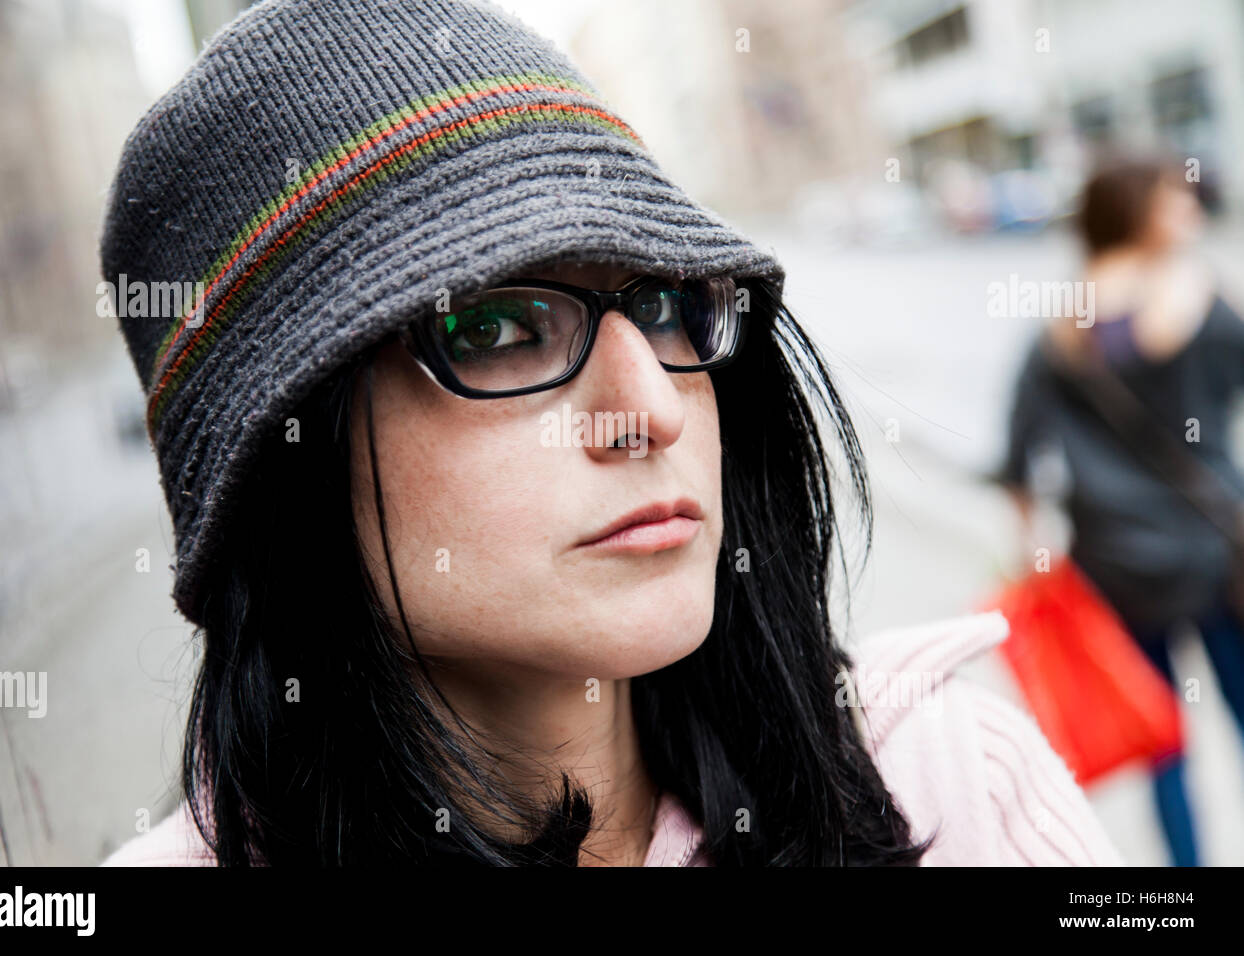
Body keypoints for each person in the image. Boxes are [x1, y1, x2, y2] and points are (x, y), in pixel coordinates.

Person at [98, 0, 1121, 866]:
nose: (655, 406)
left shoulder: (947, 784)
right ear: (280, 461)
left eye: (673, 305)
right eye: (495, 326)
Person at [997, 159, 1244, 866]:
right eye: (1176, 195)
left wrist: (1032, 560)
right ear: (1142, 212)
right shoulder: (1203, 298)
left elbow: (1018, 462)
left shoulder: (1058, 334)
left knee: (1160, 738)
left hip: (1117, 564)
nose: (1191, 204)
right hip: (1218, 551)